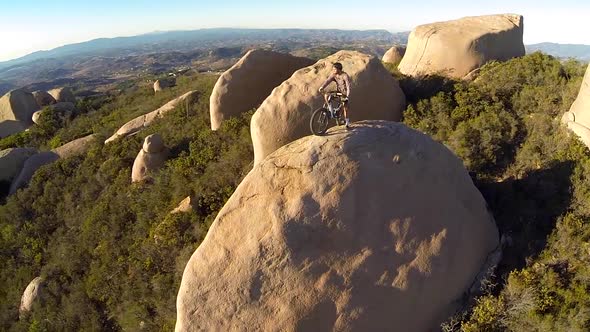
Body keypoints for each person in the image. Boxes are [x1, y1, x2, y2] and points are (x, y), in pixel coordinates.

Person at [318, 62, 352, 129]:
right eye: (333, 69)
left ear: (339, 69)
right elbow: (327, 81)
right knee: (326, 95)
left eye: (334, 69)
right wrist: (322, 87)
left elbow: (348, 87)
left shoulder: (345, 76)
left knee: (345, 108)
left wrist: (347, 96)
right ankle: (330, 110)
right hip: (338, 91)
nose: (333, 70)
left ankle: (347, 123)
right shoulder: (334, 75)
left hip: (344, 93)